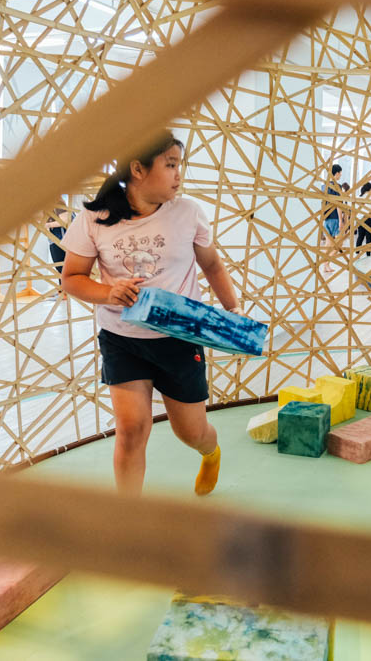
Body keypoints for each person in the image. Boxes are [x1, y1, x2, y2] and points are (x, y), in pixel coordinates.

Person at [61, 132, 241, 497]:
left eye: (179, 165)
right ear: (138, 169)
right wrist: (108, 292)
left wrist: (234, 312)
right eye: (171, 165)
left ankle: (211, 453)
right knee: (131, 430)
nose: (179, 175)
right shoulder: (95, 218)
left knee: (192, 433)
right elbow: (72, 278)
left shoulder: (188, 213)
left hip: (179, 339)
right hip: (122, 339)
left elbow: (212, 265)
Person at [320, 164, 344, 274]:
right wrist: (341, 220)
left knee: (328, 244)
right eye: (340, 173)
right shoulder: (337, 186)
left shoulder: (324, 186)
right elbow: (338, 204)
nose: (340, 175)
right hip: (334, 218)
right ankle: (326, 264)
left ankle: (326, 265)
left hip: (326, 218)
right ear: (337, 173)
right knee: (339, 244)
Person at [354, 182, 371, 254]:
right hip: (370, 219)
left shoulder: (358, 197)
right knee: (369, 237)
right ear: (370, 189)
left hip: (360, 219)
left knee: (360, 236)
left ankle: (357, 252)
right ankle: (368, 254)